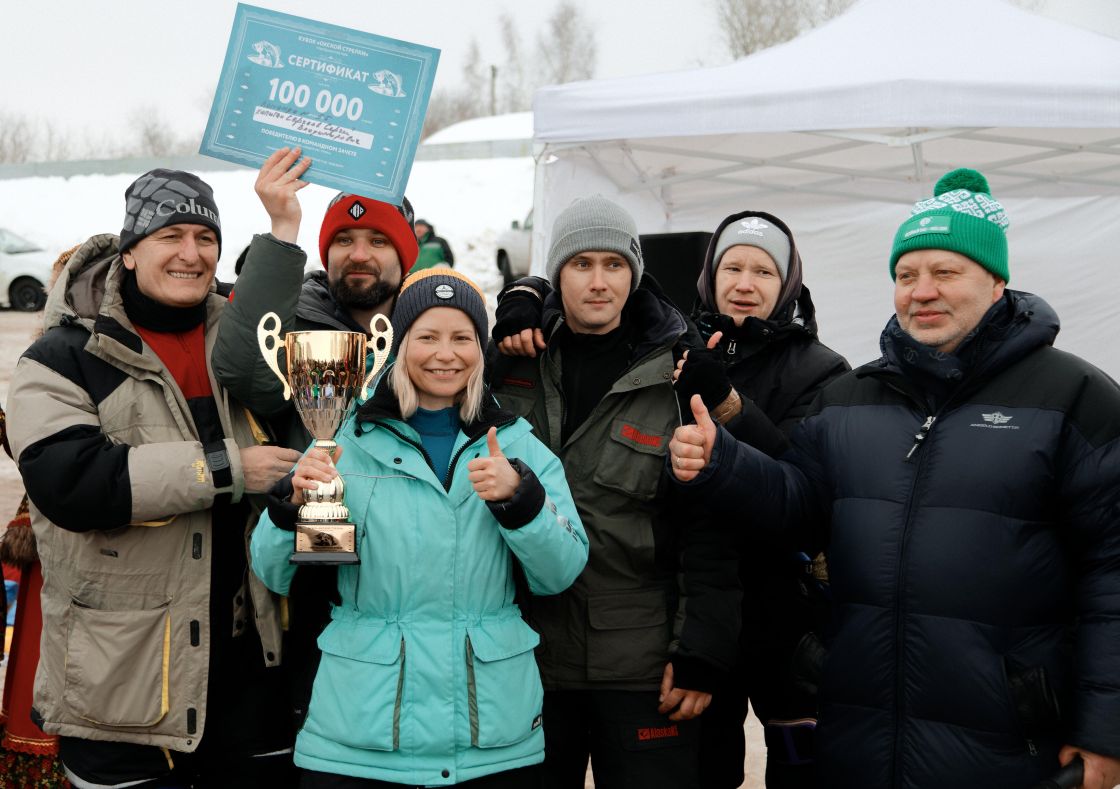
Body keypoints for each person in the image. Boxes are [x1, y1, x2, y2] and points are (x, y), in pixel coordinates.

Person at [667, 168, 1120, 789]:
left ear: (996, 282)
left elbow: (1112, 572)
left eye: (946, 272)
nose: (921, 291)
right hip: (863, 735)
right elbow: (800, 510)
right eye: (906, 275)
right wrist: (725, 462)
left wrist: (1104, 728)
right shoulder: (853, 397)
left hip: (1009, 744)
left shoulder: (1076, 398)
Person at [6, 169, 304, 787]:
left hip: (252, 684)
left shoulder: (247, 343)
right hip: (126, 695)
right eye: (171, 234)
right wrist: (228, 469)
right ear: (131, 248)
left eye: (205, 236)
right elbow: (71, 482)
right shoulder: (62, 356)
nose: (191, 253)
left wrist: (283, 225)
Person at [250, 268, 588, 786]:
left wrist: (521, 503)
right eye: (427, 337)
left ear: (480, 348)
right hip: (360, 735)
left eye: (462, 338)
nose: (444, 354)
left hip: (491, 736)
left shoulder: (517, 446)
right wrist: (290, 509)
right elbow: (283, 577)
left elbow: (560, 571)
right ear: (400, 345)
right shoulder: (345, 443)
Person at [488, 196, 724, 789]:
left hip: (641, 667)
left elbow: (710, 526)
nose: (599, 282)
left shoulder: (673, 373)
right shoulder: (511, 365)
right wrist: (511, 303)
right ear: (556, 275)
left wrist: (700, 649)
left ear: (635, 273)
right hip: (526, 659)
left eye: (614, 265)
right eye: (581, 264)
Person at [212, 147, 423, 728]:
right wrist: (283, 230)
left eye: (378, 241)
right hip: (321, 581)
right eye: (344, 240)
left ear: (405, 256)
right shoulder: (298, 324)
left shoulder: (433, 335)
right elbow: (242, 370)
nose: (360, 254)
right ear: (324, 252)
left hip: (421, 580)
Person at [672, 211, 848, 788]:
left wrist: (727, 403)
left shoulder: (822, 371)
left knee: (803, 771)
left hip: (789, 618)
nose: (745, 283)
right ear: (710, 275)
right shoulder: (674, 350)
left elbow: (801, 481)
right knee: (705, 771)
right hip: (698, 616)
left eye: (764, 271)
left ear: (788, 283)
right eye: (733, 267)